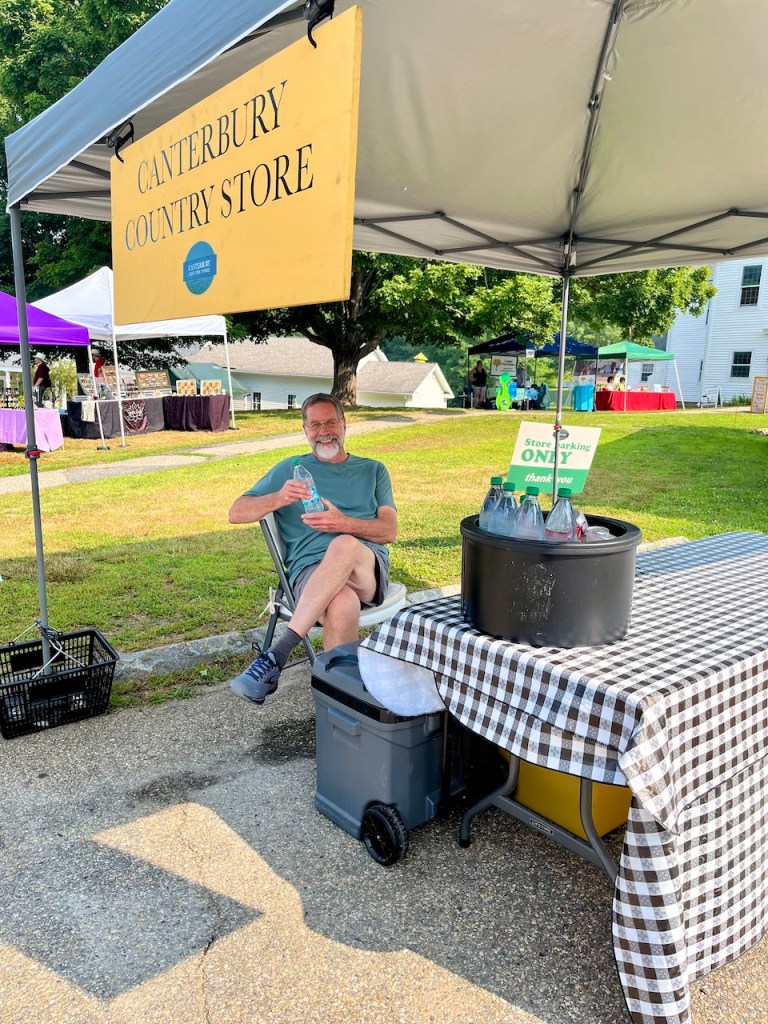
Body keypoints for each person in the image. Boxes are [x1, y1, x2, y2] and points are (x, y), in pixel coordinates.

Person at [227, 393, 398, 705]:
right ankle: (341, 705)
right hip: (311, 574)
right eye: (315, 424)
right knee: (342, 602)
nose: (324, 430)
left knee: (344, 543)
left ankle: (277, 654)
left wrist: (342, 522)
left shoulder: (373, 470)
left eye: (331, 422)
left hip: (365, 570)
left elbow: (389, 531)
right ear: (305, 430)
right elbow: (236, 512)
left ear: (344, 424)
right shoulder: (289, 470)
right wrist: (277, 498)